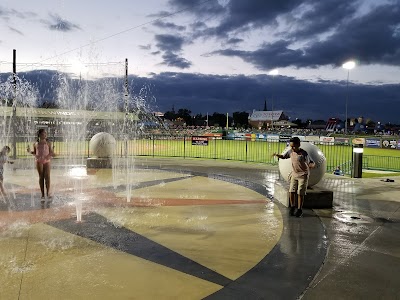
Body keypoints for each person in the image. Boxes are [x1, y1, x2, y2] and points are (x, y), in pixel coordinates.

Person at [273, 137, 315, 217]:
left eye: (294, 146)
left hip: (303, 175)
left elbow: (312, 162)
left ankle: (299, 209)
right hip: (294, 174)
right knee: (291, 191)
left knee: (300, 193)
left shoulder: (304, 153)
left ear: (298, 145)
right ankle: (292, 207)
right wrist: (277, 155)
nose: (292, 148)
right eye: (291, 146)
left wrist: (311, 165)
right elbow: (284, 156)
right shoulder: (290, 152)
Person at [27, 129, 55, 208]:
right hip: (39, 160)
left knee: (48, 177)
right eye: (43, 133)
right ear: (39, 135)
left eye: (45, 133)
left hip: (47, 160)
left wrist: (50, 155)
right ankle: (42, 194)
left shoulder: (48, 143)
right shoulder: (36, 143)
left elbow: (51, 152)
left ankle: (48, 193)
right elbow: (35, 152)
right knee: (41, 177)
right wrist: (30, 151)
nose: (45, 135)